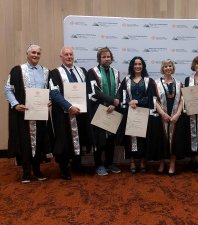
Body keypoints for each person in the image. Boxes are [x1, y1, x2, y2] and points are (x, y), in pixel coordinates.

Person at [4, 44, 50, 183]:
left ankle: (37, 170)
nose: (36, 55)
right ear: (27, 54)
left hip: (40, 114)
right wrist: (15, 104)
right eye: (33, 52)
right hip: (24, 114)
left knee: (40, 141)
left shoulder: (46, 71)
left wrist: (49, 101)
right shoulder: (17, 70)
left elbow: (48, 91)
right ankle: (26, 171)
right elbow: (8, 90)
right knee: (25, 142)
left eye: (38, 53)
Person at [48, 47, 89, 180]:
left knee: (80, 137)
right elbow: (54, 93)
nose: (69, 56)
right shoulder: (54, 73)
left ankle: (77, 164)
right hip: (63, 114)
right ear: (61, 57)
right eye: (66, 54)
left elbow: (88, 90)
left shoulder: (82, 71)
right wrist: (69, 106)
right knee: (64, 140)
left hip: (80, 113)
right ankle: (64, 168)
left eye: (71, 54)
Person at [86, 47, 121, 176]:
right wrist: (112, 100)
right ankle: (99, 165)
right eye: (104, 57)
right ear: (99, 59)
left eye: (108, 56)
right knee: (99, 140)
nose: (106, 59)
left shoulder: (116, 72)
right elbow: (94, 91)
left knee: (111, 139)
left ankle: (109, 163)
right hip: (99, 110)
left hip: (112, 110)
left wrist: (115, 101)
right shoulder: (92, 72)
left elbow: (119, 89)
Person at [118, 56, 155, 174]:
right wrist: (129, 102)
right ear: (132, 66)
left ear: (143, 66)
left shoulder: (149, 81)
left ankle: (143, 161)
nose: (137, 66)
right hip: (130, 113)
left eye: (140, 64)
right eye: (135, 64)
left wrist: (138, 102)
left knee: (144, 138)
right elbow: (122, 95)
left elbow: (151, 97)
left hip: (144, 113)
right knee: (130, 138)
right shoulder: (126, 80)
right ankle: (132, 161)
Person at [155, 59, 187, 176]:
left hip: (176, 117)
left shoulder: (179, 84)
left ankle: (172, 163)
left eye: (170, 66)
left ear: (173, 68)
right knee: (162, 140)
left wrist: (178, 114)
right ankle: (162, 162)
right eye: (165, 66)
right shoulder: (156, 83)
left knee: (175, 141)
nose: (168, 68)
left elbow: (182, 101)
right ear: (162, 68)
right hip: (161, 117)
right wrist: (163, 114)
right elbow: (154, 100)